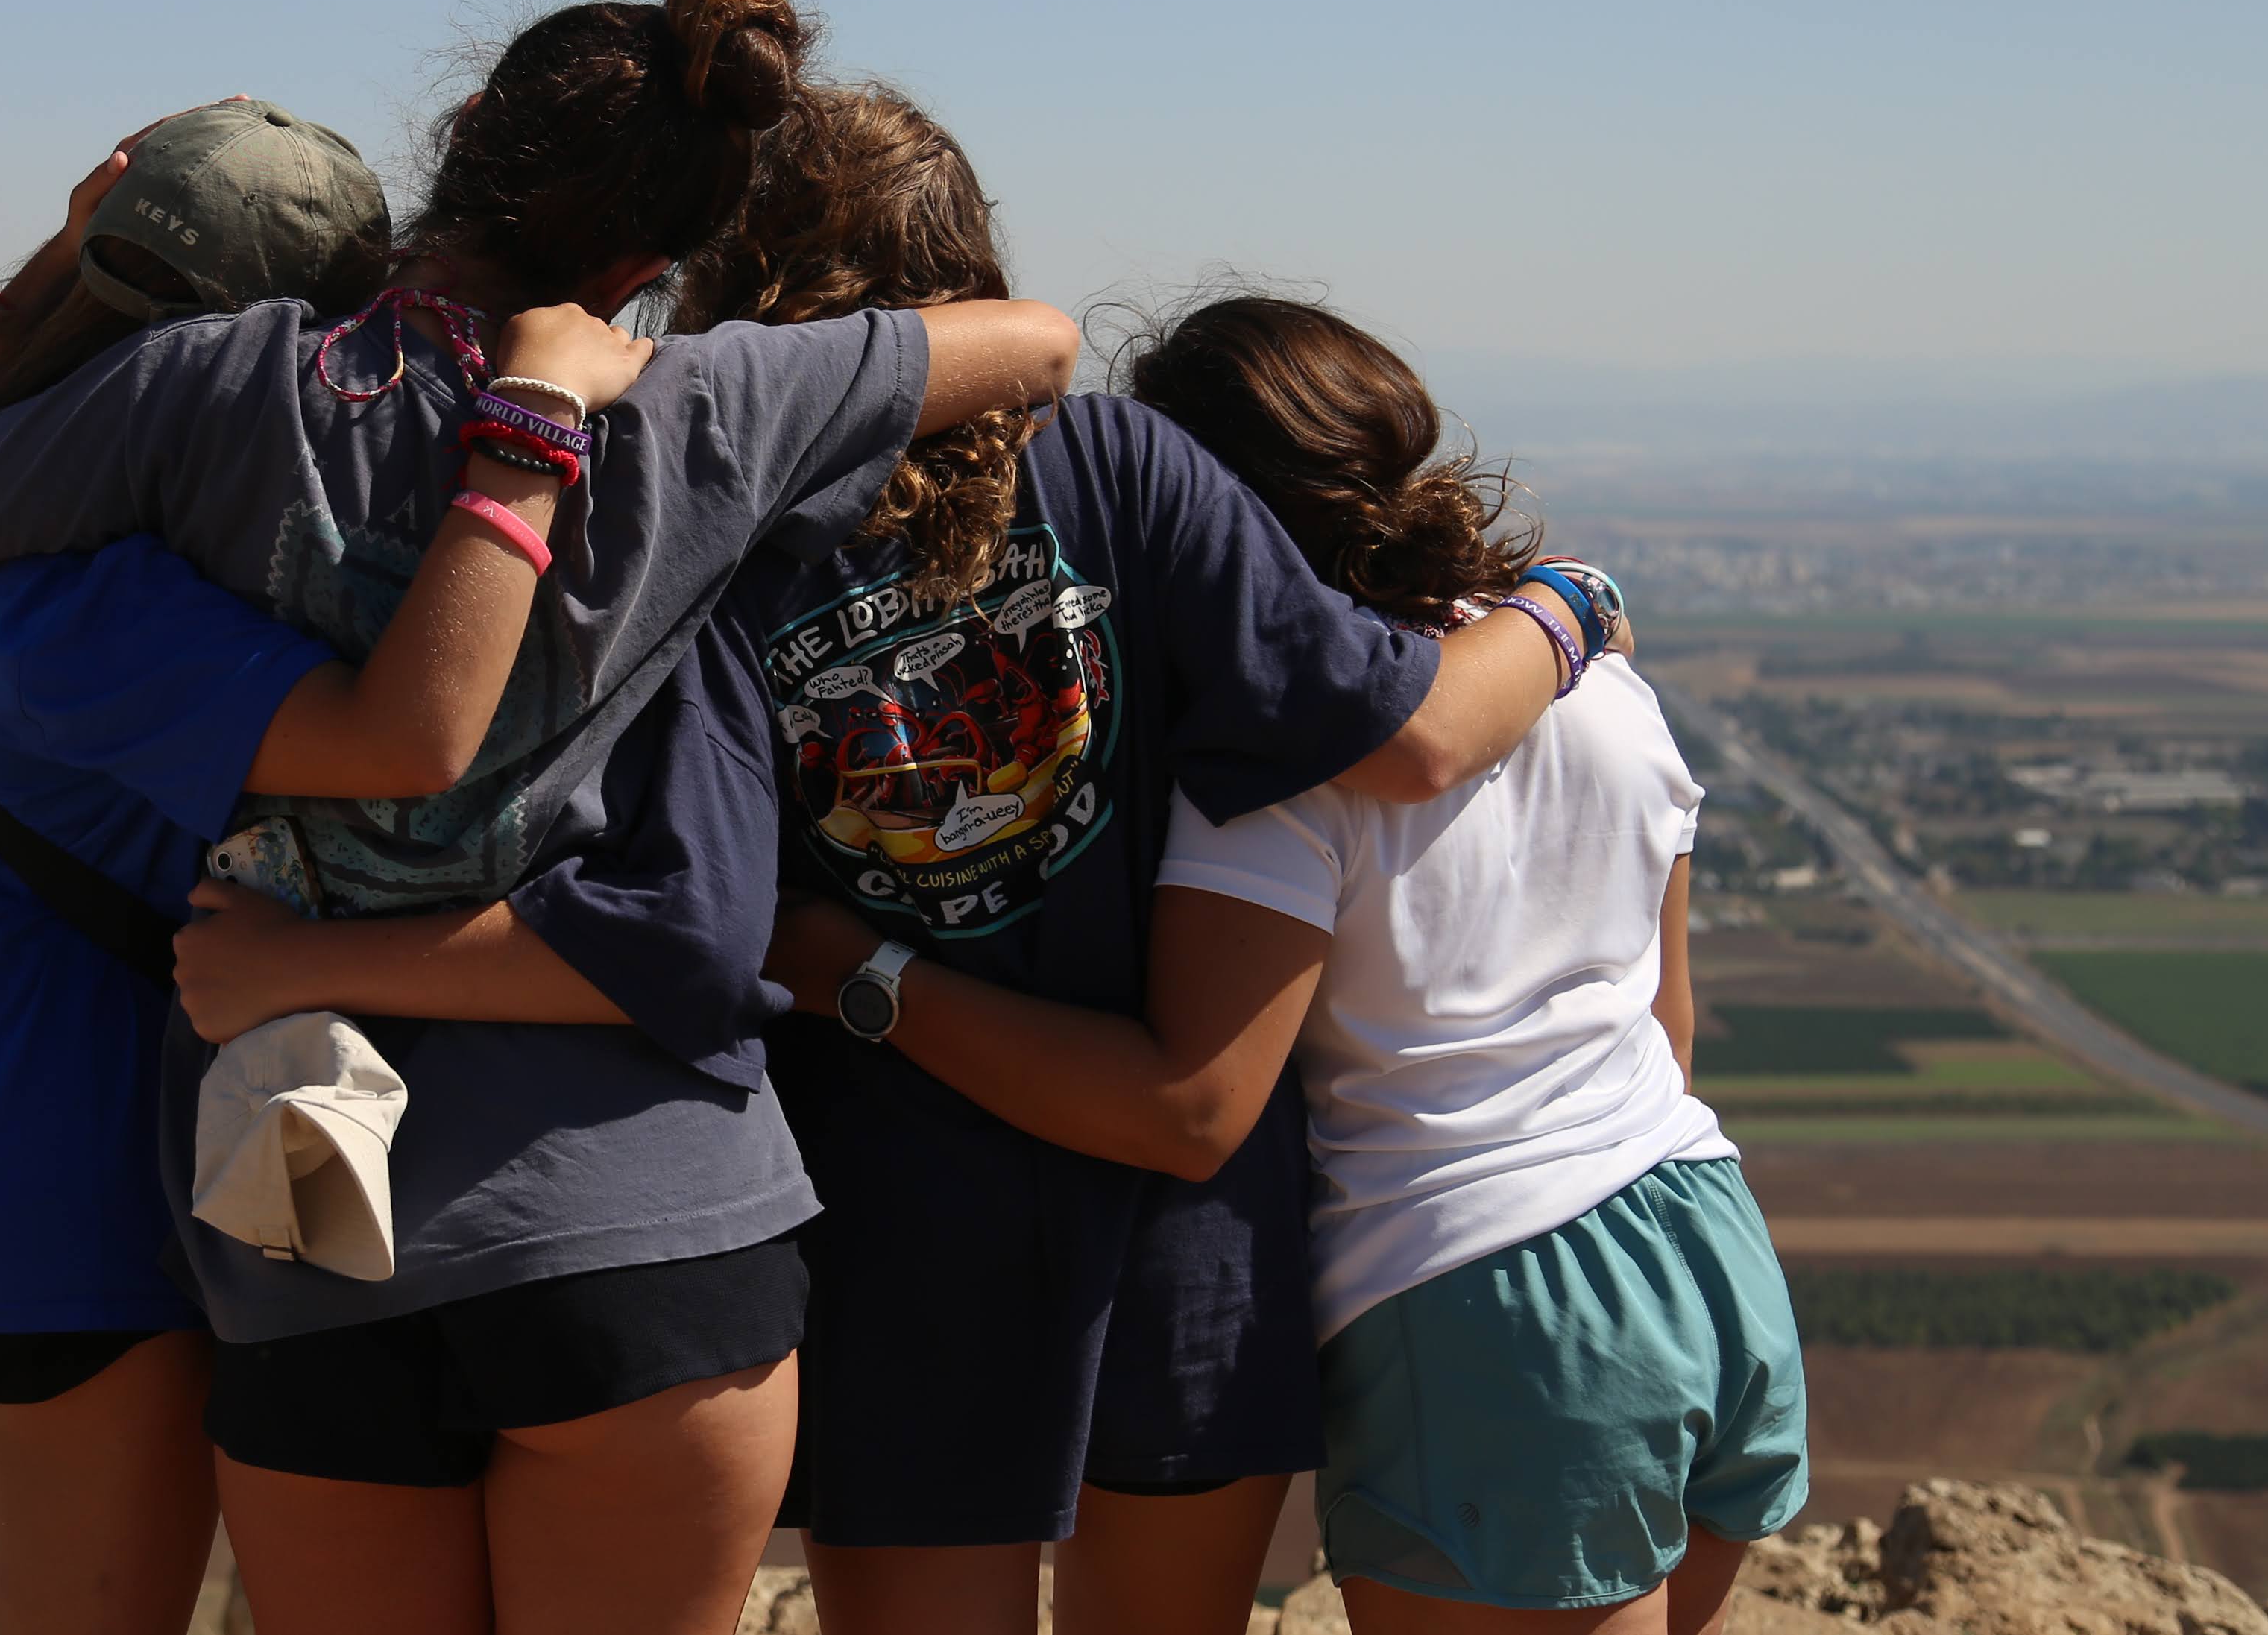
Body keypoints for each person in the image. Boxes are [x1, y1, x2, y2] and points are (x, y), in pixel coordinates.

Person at [0, 0, 1084, 1635]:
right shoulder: (698, 408)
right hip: (647, 1228)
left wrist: (73, 263)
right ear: (662, 251)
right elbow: (1038, 344)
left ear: (459, 145)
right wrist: (649, 373)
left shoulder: (203, 387)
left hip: (312, 1229)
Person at [665, 86, 1584, 1635]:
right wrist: (1565, 607)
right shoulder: (1126, 470)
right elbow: (1413, 737)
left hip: (897, 1239)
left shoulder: (712, 537)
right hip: (1184, 1249)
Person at [0, 99, 657, 1635]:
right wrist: (527, 433)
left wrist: (55, 266)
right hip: (59, 1216)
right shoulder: (117, 590)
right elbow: (406, 739)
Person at [1127, 298, 1803, 1635]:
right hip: (1706, 1237)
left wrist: (870, 973)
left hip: (1499, 1308)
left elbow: (1187, 1098)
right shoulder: (1591, 679)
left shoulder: (1269, 764)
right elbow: (1667, 1032)